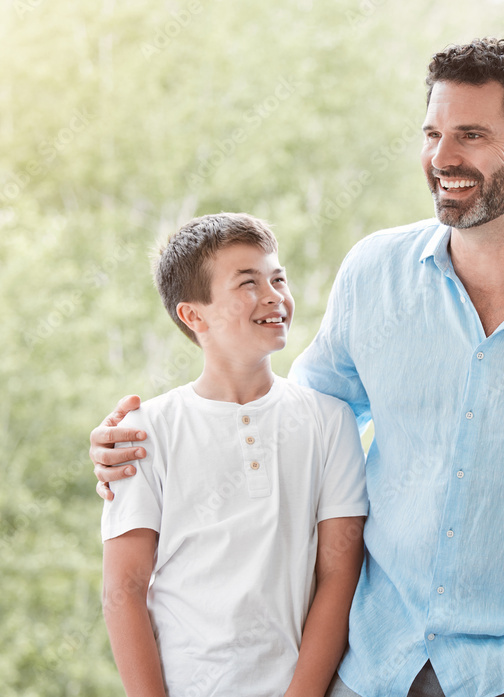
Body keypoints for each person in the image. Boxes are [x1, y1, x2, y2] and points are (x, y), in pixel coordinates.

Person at [92, 40, 504, 697]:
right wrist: (145, 443)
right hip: (374, 663)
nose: (443, 158)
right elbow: (297, 420)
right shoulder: (375, 275)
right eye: (433, 133)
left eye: (472, 135)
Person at [99, 212, 368, 697]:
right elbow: (123, 593)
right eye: (248, 283)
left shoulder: (330, 422)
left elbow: (338, 575)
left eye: (278, 278)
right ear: (194, 315)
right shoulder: (145, 431)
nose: (273, 296)